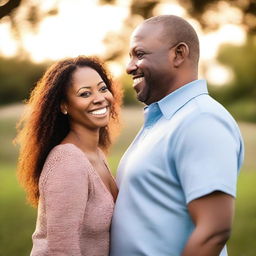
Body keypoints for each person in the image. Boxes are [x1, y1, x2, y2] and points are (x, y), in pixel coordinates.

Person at [110, 15, 244, 256]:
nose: (129, 66)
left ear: (179, 54)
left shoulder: (201, 120)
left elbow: (214, 230)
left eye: (139, 54)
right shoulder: (166, 119)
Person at [15, 56, 122, 256]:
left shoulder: (96, 154)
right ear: (64, 106)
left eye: (102, 88)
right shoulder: (67, 160)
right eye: (85, 93)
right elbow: (61, 251)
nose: (99, 98)